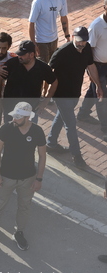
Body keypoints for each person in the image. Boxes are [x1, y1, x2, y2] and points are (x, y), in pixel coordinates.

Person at [0, 102, 46, 252]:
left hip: (28, 178)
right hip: (6, 177)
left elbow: (42, 155)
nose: (14, 120)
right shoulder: (6, 128)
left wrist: (39, 178)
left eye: (18, 117)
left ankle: (19, 233)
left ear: (27, 117)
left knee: (24, 207)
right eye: (14, 116)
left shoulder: (37, 131)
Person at [47, 26, 101, 169]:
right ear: (72, 37)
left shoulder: (87, 48)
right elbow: (48, 71)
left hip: (75, 93)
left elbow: (91, 67)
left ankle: (51, 144)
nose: (81, 44)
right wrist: (47, 94)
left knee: (61, 116)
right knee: (70, 124)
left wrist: (99, 86)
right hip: (61, 94)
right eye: (78, 41)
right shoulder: (62, 52)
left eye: (84, 42)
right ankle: (77, 156)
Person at [0, 40, 58, 123]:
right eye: (19, 53)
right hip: (11, 108)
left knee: (29, 133)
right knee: (9, 133)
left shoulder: (42, 68)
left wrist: (45, 102)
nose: (19, 56)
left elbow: (54, 82)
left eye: (22, 54)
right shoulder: (12, 64)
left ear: (31, 55)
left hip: (31, 110)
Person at [77, 2, 107, 132]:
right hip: (98, 67)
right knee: (101, 96)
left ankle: (83, 114)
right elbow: (88, 51)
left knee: (93, 90)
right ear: (105, 7)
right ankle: (105, 127)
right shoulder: (96, 26)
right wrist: (90, 72)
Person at [28, 0, 69, 65]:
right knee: (43, 66)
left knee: (53, 63)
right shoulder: (38, 2)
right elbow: (31, 23)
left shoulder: (62, 1)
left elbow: (64, 17)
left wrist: (67, 36)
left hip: (54, 39)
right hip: (41, 41)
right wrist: (33, 44)